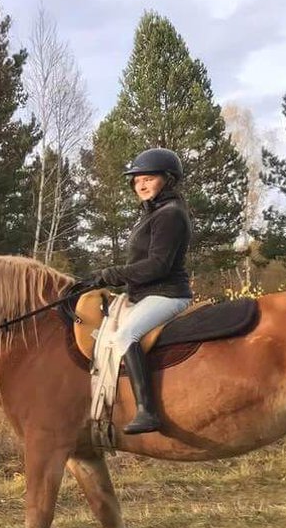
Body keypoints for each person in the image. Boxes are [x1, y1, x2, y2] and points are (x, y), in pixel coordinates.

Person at [67, 147, 193, 435]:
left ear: (168, 180)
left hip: (168, 294)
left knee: (126, 335)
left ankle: (147, 412)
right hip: (145, 295)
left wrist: (111, 274)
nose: (142, 185)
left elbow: (157, 266)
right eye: (137, 181)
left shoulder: (171, 215)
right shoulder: (152, 214)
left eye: (149, 178)